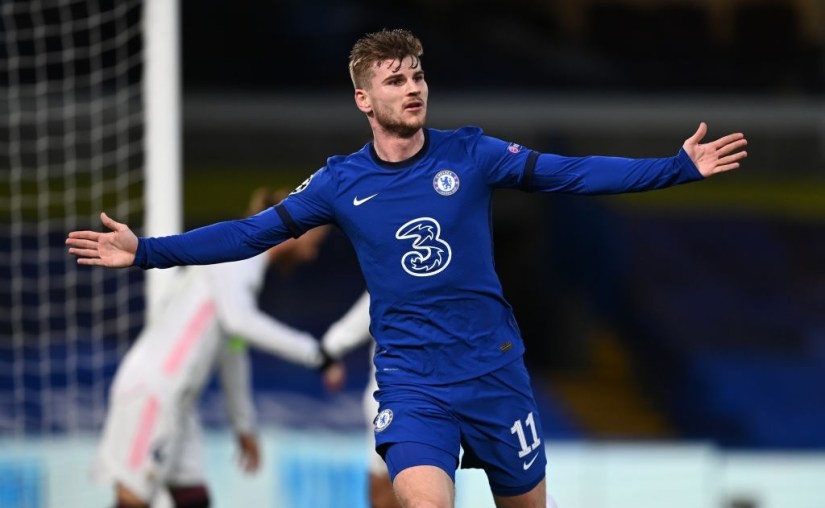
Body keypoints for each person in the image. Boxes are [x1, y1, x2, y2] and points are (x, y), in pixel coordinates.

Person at [67, 29, 747, 508]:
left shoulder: (471, 153)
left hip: (493, 371)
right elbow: (250, 234)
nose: (413, 88)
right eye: (395, 80)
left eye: (417, 75)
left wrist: (676, 168)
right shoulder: (339, 183)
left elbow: (570, 174)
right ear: (364, 100)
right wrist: (145, 250)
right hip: (412, 383)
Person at [90, 188, 340, 508]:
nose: (311, 255)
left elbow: (232, 348)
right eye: (313, 244)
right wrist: (317, 355)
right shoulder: (240, 256)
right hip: (153, 392)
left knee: (194, 498)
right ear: (296, 233)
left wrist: (243, 424)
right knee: (133, 500)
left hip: (178, 401)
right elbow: (240, 323)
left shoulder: (244, 270)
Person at [319, 290, 400, 508]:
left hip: (397, 401)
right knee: (387, 489)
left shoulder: (394, 279)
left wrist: (329, 350)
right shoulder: (395, 278)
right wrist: (328, 352)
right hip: (392, 402)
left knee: (401, 489)